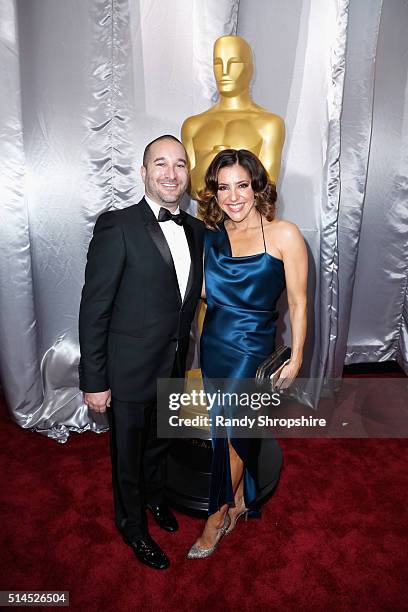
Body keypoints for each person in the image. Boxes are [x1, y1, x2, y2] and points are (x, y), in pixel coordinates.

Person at [78, 135, 204, 570]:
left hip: (171, 364)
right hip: (127, 370)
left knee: (159, 445)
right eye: (161, 163)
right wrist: (94, 380)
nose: (171, 173)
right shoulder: (118, 225)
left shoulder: (196, 229)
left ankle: (154, 501)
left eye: (180, 165)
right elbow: (95, 307)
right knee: (127, 456)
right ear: (144, 172)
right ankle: (132, 527)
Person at [187, 149, 307, 559]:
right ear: (214, 193)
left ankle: (215, 518)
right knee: (227, 433)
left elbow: (298, 302)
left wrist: (297, 357)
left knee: (234, 436)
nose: (233, 196)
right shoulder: (213, 238)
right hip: (214, 345)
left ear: (258, 188)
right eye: (223, 187)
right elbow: (205, 292)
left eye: (242, 185)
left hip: (251, 353)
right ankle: (237, 502)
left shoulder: (284, 234)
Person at [181, 35, 285, 199]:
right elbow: (190, 189)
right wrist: (211, 162)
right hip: (204, 224)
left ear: (249, 68)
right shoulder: (193, 125)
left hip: (249, 224)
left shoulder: (269, 124)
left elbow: (265, 189)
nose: (225, 72)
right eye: (217, 63)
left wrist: (209, 169)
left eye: (234, 63)